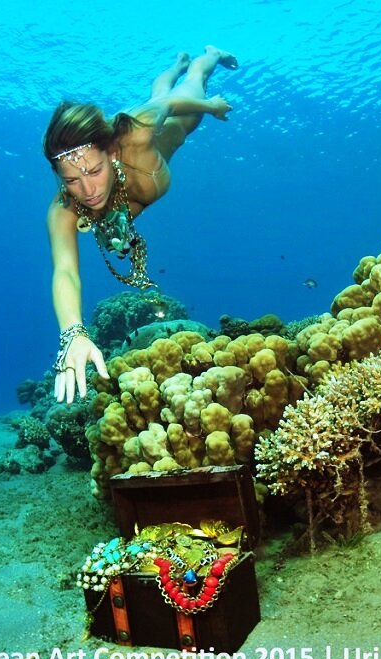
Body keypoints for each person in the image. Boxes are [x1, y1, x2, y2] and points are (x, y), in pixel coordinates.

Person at [42, 46, 237, 404]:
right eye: (71, 180)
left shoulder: (138, 131)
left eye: (94, 171)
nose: (87, 190)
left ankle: (208, 56)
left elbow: (172, 105)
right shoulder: (63, 209)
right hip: (141, 157)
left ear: (111, 153)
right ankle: (175, 63)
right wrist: (73, 333)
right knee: (159, 89)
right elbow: (65, 272)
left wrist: (211, 107)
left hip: (177, 124)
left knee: (189, 86)